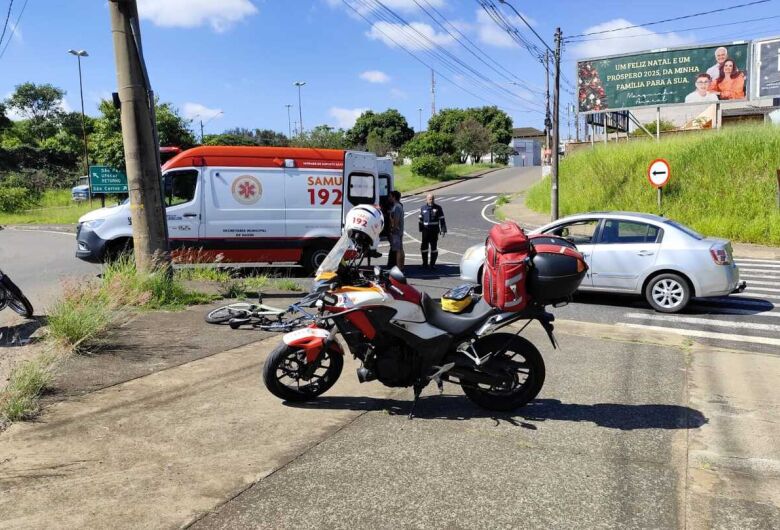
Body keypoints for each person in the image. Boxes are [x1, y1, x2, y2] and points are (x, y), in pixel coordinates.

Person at [418, 193, 446, 270]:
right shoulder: (423, 208)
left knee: (434, 248)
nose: (431, 200)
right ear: (426, 199)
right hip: (425, 232)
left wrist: (443, 230)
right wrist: (421, 229)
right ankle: (425, 264)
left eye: (433, 199)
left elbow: (442, 219)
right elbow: (420, 219)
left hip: (434, 231)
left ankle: (432, 264)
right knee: (424, 247)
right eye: (430, 199)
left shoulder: (438, 208)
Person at [386, 191, 405, 270]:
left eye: (390, 196)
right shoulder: (399, 206)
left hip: (396, 232)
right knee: (400, 249)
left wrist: (392, 230)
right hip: (398, 231)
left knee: (398, 250)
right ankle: (401, 266)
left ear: (394, 197)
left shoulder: (396, 207)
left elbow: (396, 221)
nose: (389, 198)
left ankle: (399, 268)